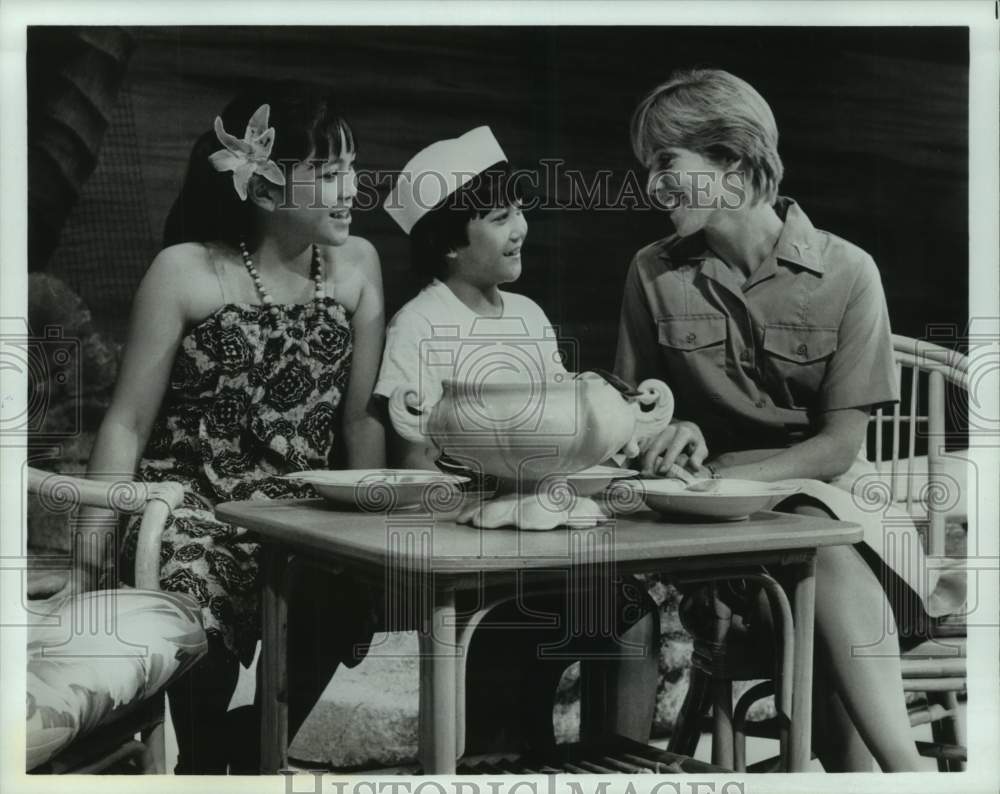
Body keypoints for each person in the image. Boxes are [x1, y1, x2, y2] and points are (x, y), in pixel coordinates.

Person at [615, 68, 965, 772]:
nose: (650, 186)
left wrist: (714, 471)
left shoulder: (848, 272)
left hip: (844, 519)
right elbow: (632, 417)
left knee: (817, 553)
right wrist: (662, 433)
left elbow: (836, 449)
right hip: (717, 540)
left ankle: (900, 769)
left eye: (665, 163)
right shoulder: (651, 273)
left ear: (733, 163)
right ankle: (904, 772)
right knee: (799, 592)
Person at [74, 81, 386, 773]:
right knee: (192, 592)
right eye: (329, 174)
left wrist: (373, 528)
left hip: (303, 509)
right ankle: (208, 760)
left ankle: (229, 764)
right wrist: (93, 551)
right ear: (265, 186)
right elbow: (126, 423)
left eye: (351, 168)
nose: (351, 188)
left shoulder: (359, 267)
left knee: (344, 591)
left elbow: (360, 418)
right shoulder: (185, 271)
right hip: (188, 505)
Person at [376, 127, 660, 752]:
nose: (520, 227)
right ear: (450, 243)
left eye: (519, 210)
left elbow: (566, 426)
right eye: (499, 216)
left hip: (549, 538)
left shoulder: (528, 316)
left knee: (635, 616)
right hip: (477, 559)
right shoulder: (419, 324)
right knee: (509, 673)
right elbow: (414, 458)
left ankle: (622, 763)